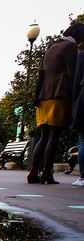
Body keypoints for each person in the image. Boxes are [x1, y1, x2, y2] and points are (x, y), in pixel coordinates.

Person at [28, 22, 84, 184]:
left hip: (43, 96)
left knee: (43, 137)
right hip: (59, 95)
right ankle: (46, 172)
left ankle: (33, 172)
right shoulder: (70, 47)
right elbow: (71, 74)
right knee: (54, 136)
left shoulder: (53, 47)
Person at [71, 32, 84, 186]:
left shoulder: (81, 56)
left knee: (83, 141)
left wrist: (74, 103)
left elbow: (76, 82)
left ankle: (83, 177)